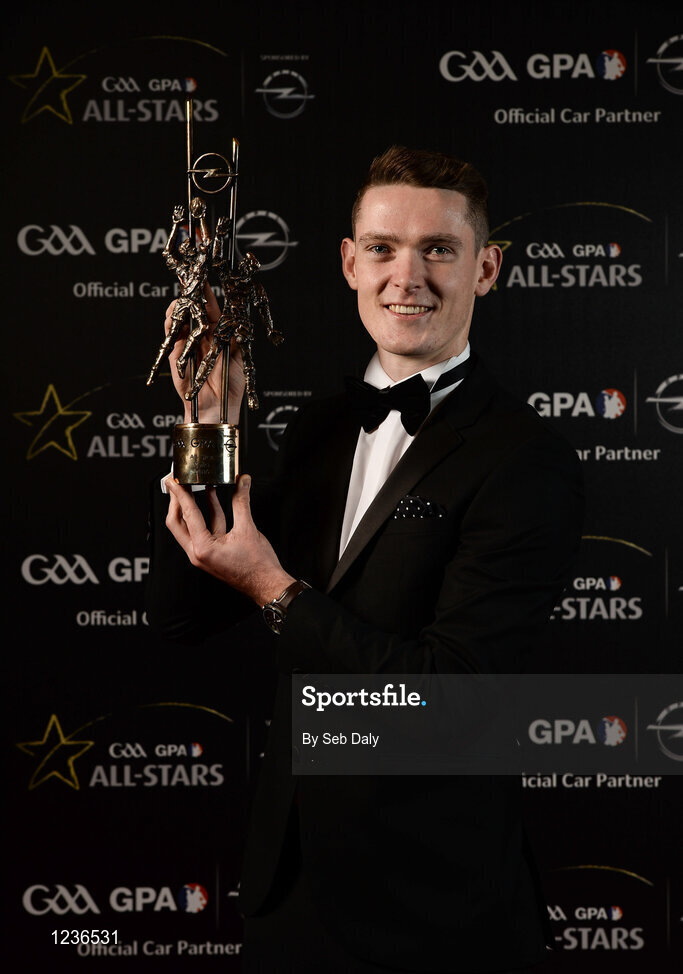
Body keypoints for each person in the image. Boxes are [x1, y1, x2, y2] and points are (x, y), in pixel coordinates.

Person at [147, 146, 584, 973]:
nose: (405, 277)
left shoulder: (527, 461)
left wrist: (275, 593)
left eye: (439, 250)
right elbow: (180, 613)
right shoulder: (319, 428)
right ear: (349, 263)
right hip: (289, 889)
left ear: (486, 269)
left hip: (434, 909)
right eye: (382, 249)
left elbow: (451, 700)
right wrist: (207, 421)